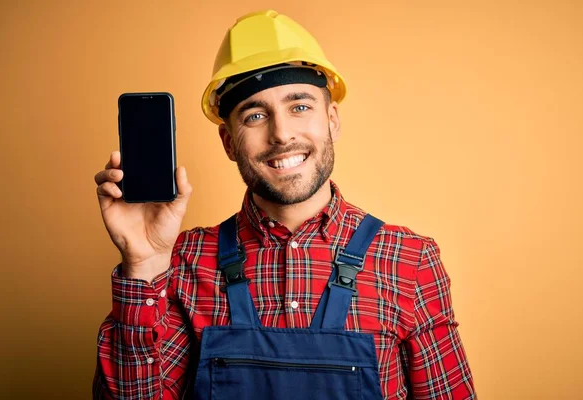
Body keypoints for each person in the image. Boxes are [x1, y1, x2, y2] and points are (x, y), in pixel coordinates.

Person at [92, 10, 476, 400]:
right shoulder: (183, 261)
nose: (281, 134)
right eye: (256, 115)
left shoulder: (410, 260)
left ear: (333, 120)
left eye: (300, 106)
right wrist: (143, 264)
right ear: (228, 142)